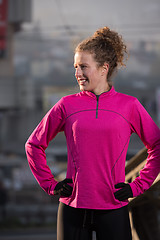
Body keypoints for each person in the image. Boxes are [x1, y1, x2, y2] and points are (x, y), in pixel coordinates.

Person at [25, 26, 160, 240]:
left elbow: (157, 145)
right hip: (72, 209)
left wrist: (137, 186)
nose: (77, 73)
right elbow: (33, 145)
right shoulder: (66, 105)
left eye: (83, 67)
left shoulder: (130, 106)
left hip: (113, 208)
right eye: (75, 67)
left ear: (104, 68)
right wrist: (50, 184)